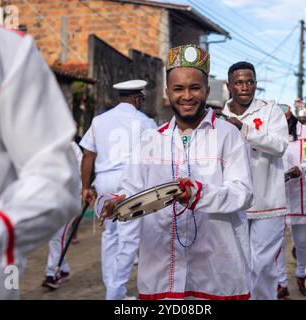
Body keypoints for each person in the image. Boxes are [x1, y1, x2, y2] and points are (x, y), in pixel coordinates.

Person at [99, 44, 254, 300]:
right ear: (167, 91)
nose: (187, 96)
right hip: (162, 265)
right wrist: (118, 200)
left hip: (216, 267)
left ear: (206, 89)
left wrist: (197, 194)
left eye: (194, 87)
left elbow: (243, 194)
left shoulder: (229, 135)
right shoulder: (150, 139)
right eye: (178, 89)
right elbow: (131, 187)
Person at [0, 10, 80, 299]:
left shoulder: (2, 50)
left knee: (25, 260)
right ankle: (54, 271)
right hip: (19, 226)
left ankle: (54, 270)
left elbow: (56, 175)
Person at [80, 79, 156, 300]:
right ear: (136, 98)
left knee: (110, 236)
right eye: (141, 99)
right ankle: (115, 293)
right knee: (129, 238)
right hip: (130, 183)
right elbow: (152, 158)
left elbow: (87, 154)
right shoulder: (146, 122)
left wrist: (85, 187)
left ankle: (113, 289)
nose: (141, 102)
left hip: (104, 181)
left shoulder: (99, 120)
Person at [222, 61, 289, 300]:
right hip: (234, 203)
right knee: (237, 264)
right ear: (229, 85)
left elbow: (280, 146)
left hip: (268, 201)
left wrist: (244, 129)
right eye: (239, 82)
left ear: (256, 85)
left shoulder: (270, 110)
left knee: (262, 265)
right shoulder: (221, 115)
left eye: (249, 82)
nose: (245, 87)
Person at [277, 106, 306, 298]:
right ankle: (280, 282)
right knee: (275, 243)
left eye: (287, 121)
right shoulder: (270, 131)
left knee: (302, 242)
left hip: (303, 196)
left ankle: (302, 273)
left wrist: (302, 169)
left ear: (293, 119)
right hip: (277, 196)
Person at [41, 141, 83, 290]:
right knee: (54, 236)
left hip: (70, 198)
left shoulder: (71, 146)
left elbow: (80, 171)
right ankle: (63, 269)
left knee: (57, 236)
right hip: (55, 199)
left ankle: (51, 274)